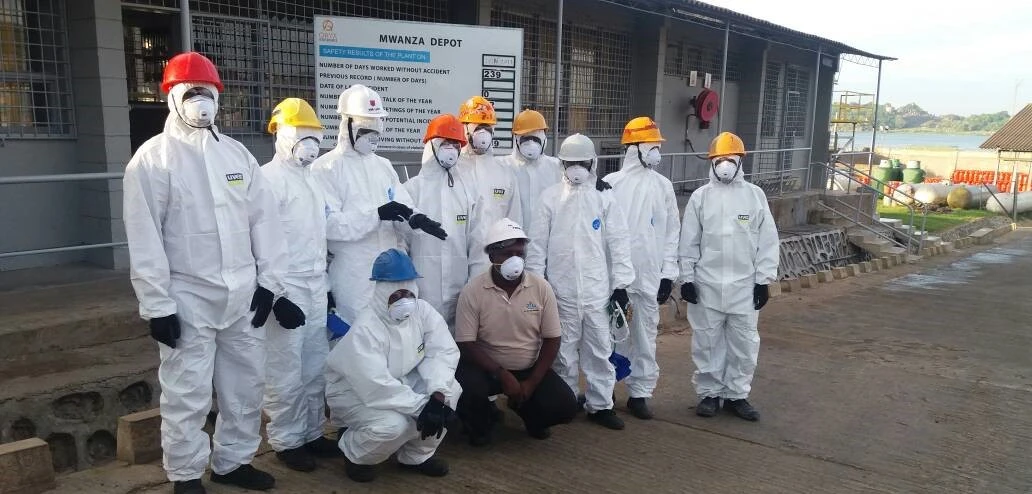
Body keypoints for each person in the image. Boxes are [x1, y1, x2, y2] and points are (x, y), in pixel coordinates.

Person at [123, 52, 306, 494]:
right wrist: (157, 305)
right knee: (187, 392)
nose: (200, 101)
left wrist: (270, 284)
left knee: (246, 386)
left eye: (207, 92)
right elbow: (144, 236)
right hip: (188, 296)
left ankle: (233, 463)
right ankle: (185, 475)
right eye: (191, 92)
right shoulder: (153, 160)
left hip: (243, 295)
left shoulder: (236, 154)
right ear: (171, 97)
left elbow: (265, 222)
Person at [312, 84, 447, 330]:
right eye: (366, 129)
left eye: (376, 129)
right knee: (355, 336)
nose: (372, 136)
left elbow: (402, 204)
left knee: (393, 335)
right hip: (354, 275)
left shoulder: (383, 166)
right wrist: (375, 215)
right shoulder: (326, 168)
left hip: (392, 273)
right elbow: (329, 226)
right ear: (347, 125)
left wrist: (414, 219)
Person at [526, 134, 636, 431]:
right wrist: (538, 286)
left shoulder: (604, 197)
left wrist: (621, 285)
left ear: (592, 163)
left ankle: (601, 405)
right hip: (560, 291)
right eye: (570, 163)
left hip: (596, 290)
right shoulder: (550, 198)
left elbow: (619, 242)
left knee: (600, 349)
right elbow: (537, 246)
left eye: (582, 163)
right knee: (563, 352)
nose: (576, 169)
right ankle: (567, 400)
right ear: (562, 164)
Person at [324, 249, 461, 483]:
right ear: (381, 292)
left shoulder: (423, 312)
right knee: (394, 426)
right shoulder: (367, 327)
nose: (404, 300)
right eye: (395, 295)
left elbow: (442, 351)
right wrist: (423, 407)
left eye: (408, 293)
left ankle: (416, 457)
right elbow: (374, 384)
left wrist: (437, 395)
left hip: (399, 381)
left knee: (450, 391)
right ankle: (354, 452)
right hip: (355, 392)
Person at [260, 97, 342, 472]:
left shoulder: (313, 181)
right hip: (286, 287)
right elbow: (259, 242)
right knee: (285, 368)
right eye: (301, 135)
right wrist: (275, 296)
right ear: (279, 134)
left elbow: (319, 237)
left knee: (314, 364)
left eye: (314, 136)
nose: (310, 144)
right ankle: (287, 440)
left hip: (313, 284)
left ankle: (311, 433)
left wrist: (326, 286)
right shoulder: (267, 181)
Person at [678, 131, 779, 421]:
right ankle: (709, 393)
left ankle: (737, 395)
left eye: (731, 160)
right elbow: (689, 240)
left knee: (744, 344)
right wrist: (687, 278)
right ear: (711, 163)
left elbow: (767, 240)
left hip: (744, 285)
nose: (725, 165)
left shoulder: (754, 195)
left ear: (740, 162)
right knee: (707, 341)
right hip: (707, 284)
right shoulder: (701, 197)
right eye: (720, 159)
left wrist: (763, 281)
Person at [454, 218, 579, 445]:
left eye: (519, 254)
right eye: (507, 254)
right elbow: (466, 344)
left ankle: (528, 412)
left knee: (565, 406)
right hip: (487, 369)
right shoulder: (473, 291)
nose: (515, 260)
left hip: (527, 368)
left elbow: (552, 339)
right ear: (491, 256)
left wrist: (532, 382)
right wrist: (502, 374)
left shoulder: (541, 288)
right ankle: (479, 423)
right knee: (466, 389)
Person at [602, 117, 680, 420]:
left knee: (645, 336)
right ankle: (604, 390)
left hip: (649, 277)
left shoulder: (663, 186)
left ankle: (640, 393)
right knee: (608, 336)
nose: (656, 151)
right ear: (633, 148)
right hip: (614, 279)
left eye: (657, 145)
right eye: (651, 145)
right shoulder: (611, 184)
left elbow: (672, 232)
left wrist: (668, 273)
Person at [404, 114, 486, 330]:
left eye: (456, 145)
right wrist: (405, 286)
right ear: (431, 146)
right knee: (423, 337)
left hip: (460, 289)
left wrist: (476, 285)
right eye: (445, 143)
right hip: (422, 289)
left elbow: (478, 243)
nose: (451, 149)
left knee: (458, 340)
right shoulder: (412, 190)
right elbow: (400, 241)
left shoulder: (469, 190)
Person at [456, 95, 522, 266]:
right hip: (455, 259)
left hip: (491, 261)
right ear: (465, 128)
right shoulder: (454, 168)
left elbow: (514, 219)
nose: (483, 133)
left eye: (487, 128)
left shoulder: (504, 173)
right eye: (478, 127)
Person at [496, 109, 562, 231]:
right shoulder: (502, 166)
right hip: (513, 238)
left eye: (535, 138)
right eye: (525, 138)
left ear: (544, 138)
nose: (531, 143)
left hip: (545, 238)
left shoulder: (556, 167)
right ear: (516, 139)